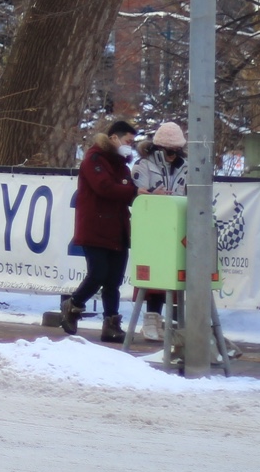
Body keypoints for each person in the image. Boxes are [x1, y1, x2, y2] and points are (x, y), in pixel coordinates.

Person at [62, 118, 140, 343]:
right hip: (95, 228)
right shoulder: (93, 159)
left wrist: (134, 191)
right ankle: (74, 304)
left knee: (113, 281)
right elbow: (105, 187)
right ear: (114, 138)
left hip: (118, 229)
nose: (130, 145)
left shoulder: (122, 165)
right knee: (98, 274)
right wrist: (131, 191)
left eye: (133, 142)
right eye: (128, 140)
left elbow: (124, 189)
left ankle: (111, 323)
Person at [131, 121, 189, 342]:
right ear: (158, 148)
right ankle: (150, 319)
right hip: (151, 228)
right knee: (151, 274)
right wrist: (153, 195)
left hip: (175, 228)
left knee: (170, 275)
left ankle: (162, 319)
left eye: (176, 151)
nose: (172, 156)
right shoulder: (143, 165)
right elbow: (136, 195)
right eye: (168, 151)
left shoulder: (186, 166)